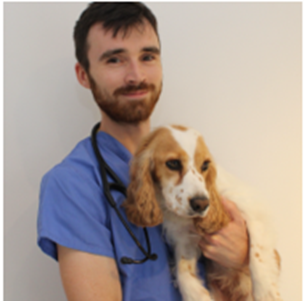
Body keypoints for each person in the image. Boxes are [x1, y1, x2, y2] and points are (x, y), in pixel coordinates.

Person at [37, 3, 249, 301]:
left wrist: (239, 260)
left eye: (147, 56)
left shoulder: (194, 164)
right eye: (115, 60)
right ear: (83, 75)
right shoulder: (72, 185)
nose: (135, 75)